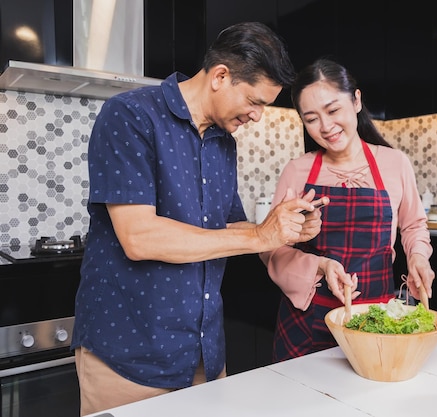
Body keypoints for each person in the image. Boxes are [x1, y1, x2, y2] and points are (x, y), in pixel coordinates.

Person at [71, 22, 328, 416]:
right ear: (220, 76)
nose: (259, 117)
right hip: (130, 356)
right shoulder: (129, 115)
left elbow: (232, 227)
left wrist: (285, 230)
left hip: (204, 356)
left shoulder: (224, 141)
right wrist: (260, 236)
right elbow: (139, 238)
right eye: (255, 101)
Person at [259, 58, 435, 362]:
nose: (325, 127)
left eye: (332, 110)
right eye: (311, 118)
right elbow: (271, 248)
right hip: (308, 319)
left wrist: (418, 257)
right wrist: (320, 266)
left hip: (377, 317)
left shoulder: (395, 163)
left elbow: (413, 225)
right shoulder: (297, 171)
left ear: (356, 100)